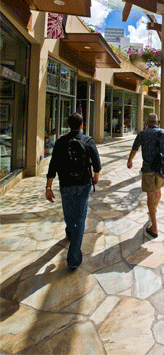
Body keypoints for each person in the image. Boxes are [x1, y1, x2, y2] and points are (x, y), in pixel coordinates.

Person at [45, 113, 101, 270]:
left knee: (69, 214)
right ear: (82, 125)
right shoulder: (88, 141)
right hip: (83, 184)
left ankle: (70, 234)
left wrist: (48, 187)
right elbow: (97, 162)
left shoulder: (61, 142)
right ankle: (74, 259)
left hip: (66, 184)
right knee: (80, 219)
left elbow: (52, 166)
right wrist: (96, 175)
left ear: (68, 125)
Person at [127, 113, 164, 238]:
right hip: (161, 169)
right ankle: (154, 211)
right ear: (157, 122)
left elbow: (134, 149)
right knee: (158, 190)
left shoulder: (143, 133)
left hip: (148, 169)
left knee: (150, 195)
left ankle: (154, 227)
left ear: (147, 122)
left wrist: (129, 160)